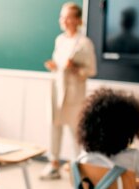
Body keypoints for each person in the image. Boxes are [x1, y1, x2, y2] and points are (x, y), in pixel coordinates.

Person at [42, 2, 98, 179]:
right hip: (57, 90)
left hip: (74, 93)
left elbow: (91, 71)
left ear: (77, 20)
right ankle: (53, 164)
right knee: (55, 126)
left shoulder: (84, 43)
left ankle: (80, 168)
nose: (63, 20)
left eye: (67, 17)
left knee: (76, 131)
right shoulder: (60, 40)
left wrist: (74, 67)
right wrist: (54, 66)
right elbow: (58, 65)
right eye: (62, 16)